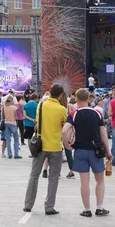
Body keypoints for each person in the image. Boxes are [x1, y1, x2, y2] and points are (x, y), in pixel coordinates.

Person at [62, 88, 113, 217]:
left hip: (80, 150)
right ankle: (100, 207)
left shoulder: (74, 114)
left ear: (77, 99)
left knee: (84, 182)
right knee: (100, 180)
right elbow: (103, 133)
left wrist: (67, 144)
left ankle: (87, 209)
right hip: (96, 150)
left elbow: (64, 131)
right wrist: (108, 151)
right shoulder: (97, 113)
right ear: (89, 99)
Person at [23, 83, 68, 215]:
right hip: (55, 146)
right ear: (60, 95)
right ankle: (49, 207)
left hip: (40, 145)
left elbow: (38, 123)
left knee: (34, 175)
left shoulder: (41, 105)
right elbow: (64, 125)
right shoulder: (61, 109)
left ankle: (28, 204)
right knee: (53, 178)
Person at [2, 95, 22, 159]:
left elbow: (3, 116)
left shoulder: (4, 107)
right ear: (11, 101)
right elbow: (16, 117)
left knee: (8, 140)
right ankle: (16, 154)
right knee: (16, 139)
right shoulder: (14, 107)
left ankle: (9, 154)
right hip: (13, 123)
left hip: (6, 123)